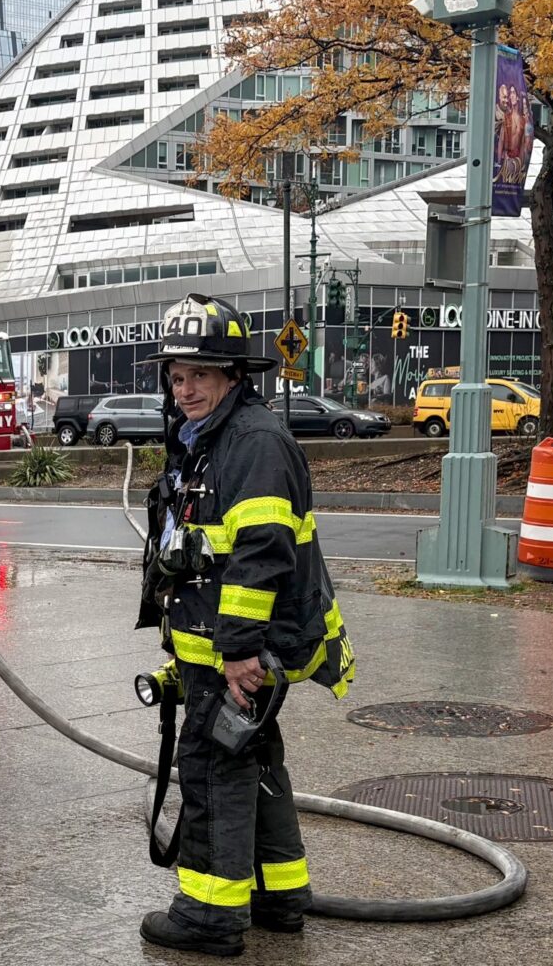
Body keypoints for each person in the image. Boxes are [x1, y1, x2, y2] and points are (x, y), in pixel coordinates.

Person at [135, 295, 356, 957]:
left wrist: (236, 653)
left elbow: (260, 555)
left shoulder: (254, 441)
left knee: (213, 767)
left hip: (251, 646)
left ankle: (210, 914)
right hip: (228, 646)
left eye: (202, 374)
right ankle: (278, 896)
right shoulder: (209, 440)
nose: (187, 387)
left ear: (234, 374)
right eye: (178, 375)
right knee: (253, 758)